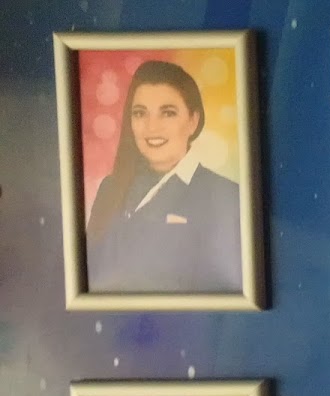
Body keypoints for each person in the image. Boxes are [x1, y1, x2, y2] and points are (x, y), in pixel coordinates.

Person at [85, 60, 242, 293]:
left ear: (193, 121)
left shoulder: (227, 195)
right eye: (140, 113)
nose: (152, 127)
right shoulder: (111, 188)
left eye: (168, 113)